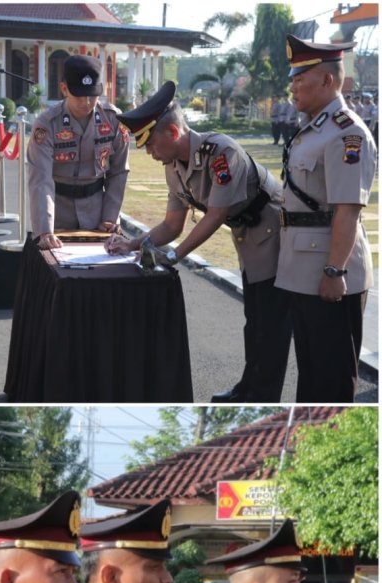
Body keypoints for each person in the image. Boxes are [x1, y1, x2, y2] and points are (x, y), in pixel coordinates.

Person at [110, 80, 291, 403]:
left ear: (173, 132)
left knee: (270, 322)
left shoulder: (221, 153)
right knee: (254, 320)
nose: (149, 153)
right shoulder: (173, 167)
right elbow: (172, 225)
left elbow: (216, 215)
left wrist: (174, 256)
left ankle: (261, 395)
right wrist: (132, 244)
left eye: (151, 144)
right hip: (248, 234)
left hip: (274, 232)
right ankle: (247, 387)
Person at [276, 35, 375, 402]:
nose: (293, 87)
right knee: (312, 375)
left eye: (300, 79)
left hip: (329, 273)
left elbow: (348, 209)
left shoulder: (347, 133)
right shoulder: (315, 128)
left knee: (332, 382)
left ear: (327, 80)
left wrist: (335, 271)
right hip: (304, 268)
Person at [27, 54, 129, 250]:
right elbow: (40, 179)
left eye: (92, 95)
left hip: (97, 212)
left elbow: (119, 172)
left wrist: (110, 217)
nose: (87, 102)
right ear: (64, 89)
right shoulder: (47, 124)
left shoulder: (114, 120)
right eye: (79, 95)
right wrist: (45, 230)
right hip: (57, 213)